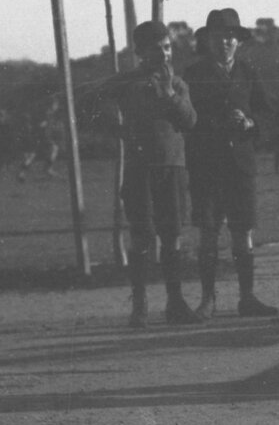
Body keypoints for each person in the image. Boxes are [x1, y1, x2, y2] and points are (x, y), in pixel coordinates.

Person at [86, 21, 200, 327]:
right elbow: (94, 103)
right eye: (155, 49)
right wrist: (117, 128)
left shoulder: (178, 84)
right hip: (140, 170)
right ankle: (140, 305)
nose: (163, 55)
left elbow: (189, 122)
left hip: (172, 167)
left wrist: (168, 96)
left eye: (167, 47)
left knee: (172, 234)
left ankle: (175, 303)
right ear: (140, 52)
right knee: (142, 236)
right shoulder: (126, 83)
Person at [181, 8, 278, 318]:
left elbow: (267, 114)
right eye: (218, 37)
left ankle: (246, 297)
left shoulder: (248, 73)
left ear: (239, 41)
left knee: (242, 231)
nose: (224, 42)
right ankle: (208, 300)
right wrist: (217, 122)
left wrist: (250, 123)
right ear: (207, 40)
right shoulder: (193, 75)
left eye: (230, 37)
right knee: (208, 232)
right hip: (207, 165)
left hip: (240, 165)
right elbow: (185, 119)